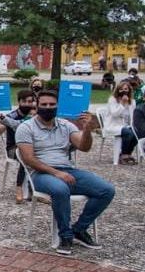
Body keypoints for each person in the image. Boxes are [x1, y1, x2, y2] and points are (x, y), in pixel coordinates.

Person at [16, 89, 114, 255]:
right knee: (60, 189)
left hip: (68, 170)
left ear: (57, 106)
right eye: (44, 105)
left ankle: (79, 229)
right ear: (37, 106)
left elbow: (84, 147)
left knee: (106, 190)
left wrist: (88, 130)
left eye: (52, 105)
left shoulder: (65, 125)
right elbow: (28, 159)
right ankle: (65, 236)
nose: (48, 107)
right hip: (41, 174)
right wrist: (56, 173)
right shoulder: (26, 128)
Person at [0, 89, 37, 203]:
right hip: (13, 148)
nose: (28, 104)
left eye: (30, 101)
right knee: (25, 156)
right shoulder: (13, 116)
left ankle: (36, 189)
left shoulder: (36, 114)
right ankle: (19, 188)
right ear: (19, 102)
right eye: (25, 101)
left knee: (40, 155)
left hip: (32, 147)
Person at [103, 82, 138, 164]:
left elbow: (132, 116)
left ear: (129, 90)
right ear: (118, 90)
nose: (123, 91)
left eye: (126, 89)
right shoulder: (112, 99)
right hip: (112, 125)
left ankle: (126, 154)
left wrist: (133, 126)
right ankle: (124, 155)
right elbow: (115, 114)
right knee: (127, 132)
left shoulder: (132, 102)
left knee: (136, 132)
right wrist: (122, 103)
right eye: (121, 89)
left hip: (125, 125)